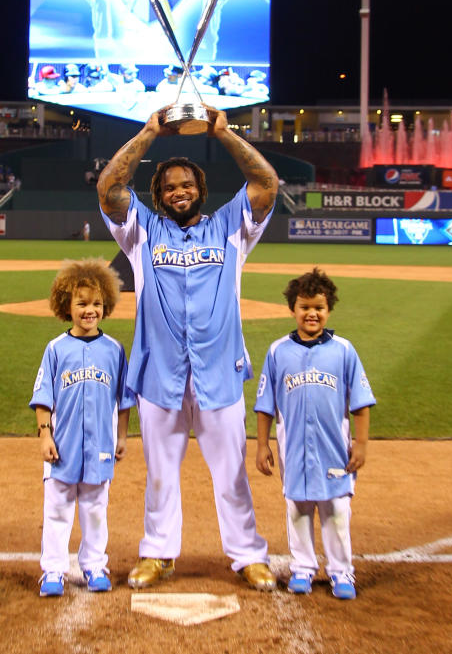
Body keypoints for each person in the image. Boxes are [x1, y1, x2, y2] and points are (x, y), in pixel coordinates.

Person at [97, 108, 278, 592]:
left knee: (231, 475)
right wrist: (150, 131)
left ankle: (247, 555)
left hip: (218, 371)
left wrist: (223, 133)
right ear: (158, 196)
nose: (180, 191)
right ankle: (158, 555)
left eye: (188, 184)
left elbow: (266, 184)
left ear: (201, 189)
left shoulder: (232, 228)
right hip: (160, 374)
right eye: (170, 186)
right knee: (160, 475)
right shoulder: (141, 234)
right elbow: (110, 190)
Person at [254, 268, 375, 598]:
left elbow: (361, 403)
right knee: (298, 509)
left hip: (334, 448)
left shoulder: (344, 350)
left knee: (336, 510)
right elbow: (266, 405)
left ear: (329, 310)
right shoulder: (278, 351)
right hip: (293, 448)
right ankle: (303, 568)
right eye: (305, 307)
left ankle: (341, 572)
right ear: (293, 308)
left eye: (319, 307)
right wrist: (262, 445)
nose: (312, 314)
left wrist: (361, 445)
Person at [29, 258, 134, 598]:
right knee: (58, 510)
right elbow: (43, 397)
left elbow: (123, 400)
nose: (90, 310)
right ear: (67, 306)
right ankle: (53, 571)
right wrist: (45, 434)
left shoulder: (114, 350)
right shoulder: (56, 349)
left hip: (100, 445)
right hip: (63, 446)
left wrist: (121, 436)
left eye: (97, 304)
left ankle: (94, 565)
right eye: (82, 303)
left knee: (95, 509)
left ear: (106, 306)